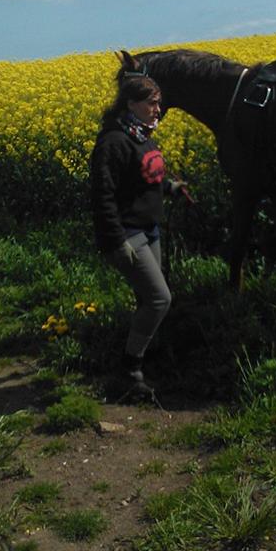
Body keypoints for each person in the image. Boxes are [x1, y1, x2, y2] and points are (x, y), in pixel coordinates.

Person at [89, 73, 190, 401]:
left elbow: (147, 176)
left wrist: (170, 187)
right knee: (160, 298)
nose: (158, 109)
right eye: (151, 102)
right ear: (130, 103)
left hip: (150, 230)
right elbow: (102, 195)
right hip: (128, 233)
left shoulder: (142, 135)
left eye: (159, 102)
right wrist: (115, 241)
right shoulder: (113, 142)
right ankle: (129, 370)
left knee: (148, 299)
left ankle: (145, 356)